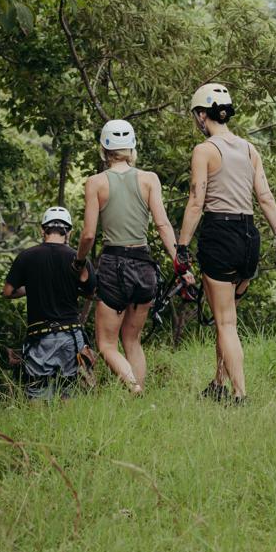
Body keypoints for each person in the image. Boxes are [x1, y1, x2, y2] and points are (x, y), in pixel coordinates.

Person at [174, 83, 276, 405]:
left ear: (202, 115)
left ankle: (240, 395)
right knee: (226, 319)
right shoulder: (250, 149)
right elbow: (265, 197)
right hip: (249, 237)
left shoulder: (205, 150)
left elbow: (197, 201)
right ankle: (218, 383)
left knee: (225, 323)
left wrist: (181, 247)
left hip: (220, 235)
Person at [72, 119, 192, 394]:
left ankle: (134, 388)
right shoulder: (149, 180)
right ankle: (137, 400)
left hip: (114, 265)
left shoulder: (96, 183)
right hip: (143, 265)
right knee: (132, 339)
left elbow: (89, 235)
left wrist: (79, 262)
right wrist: (180, 263)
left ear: (104, 148)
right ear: (132, 148)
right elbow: (163, 226)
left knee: (106, 344)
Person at [3, 206, 97, 401]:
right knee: (68, 391)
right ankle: (68, 430)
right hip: (70, 336)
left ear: (42, 230)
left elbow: (8, 292)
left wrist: (31, 287)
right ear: (68, 232)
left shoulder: (26, 256)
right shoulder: (77, 259)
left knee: (36, 393)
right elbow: (92, 293)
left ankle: (38, 429)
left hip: (39, 337)